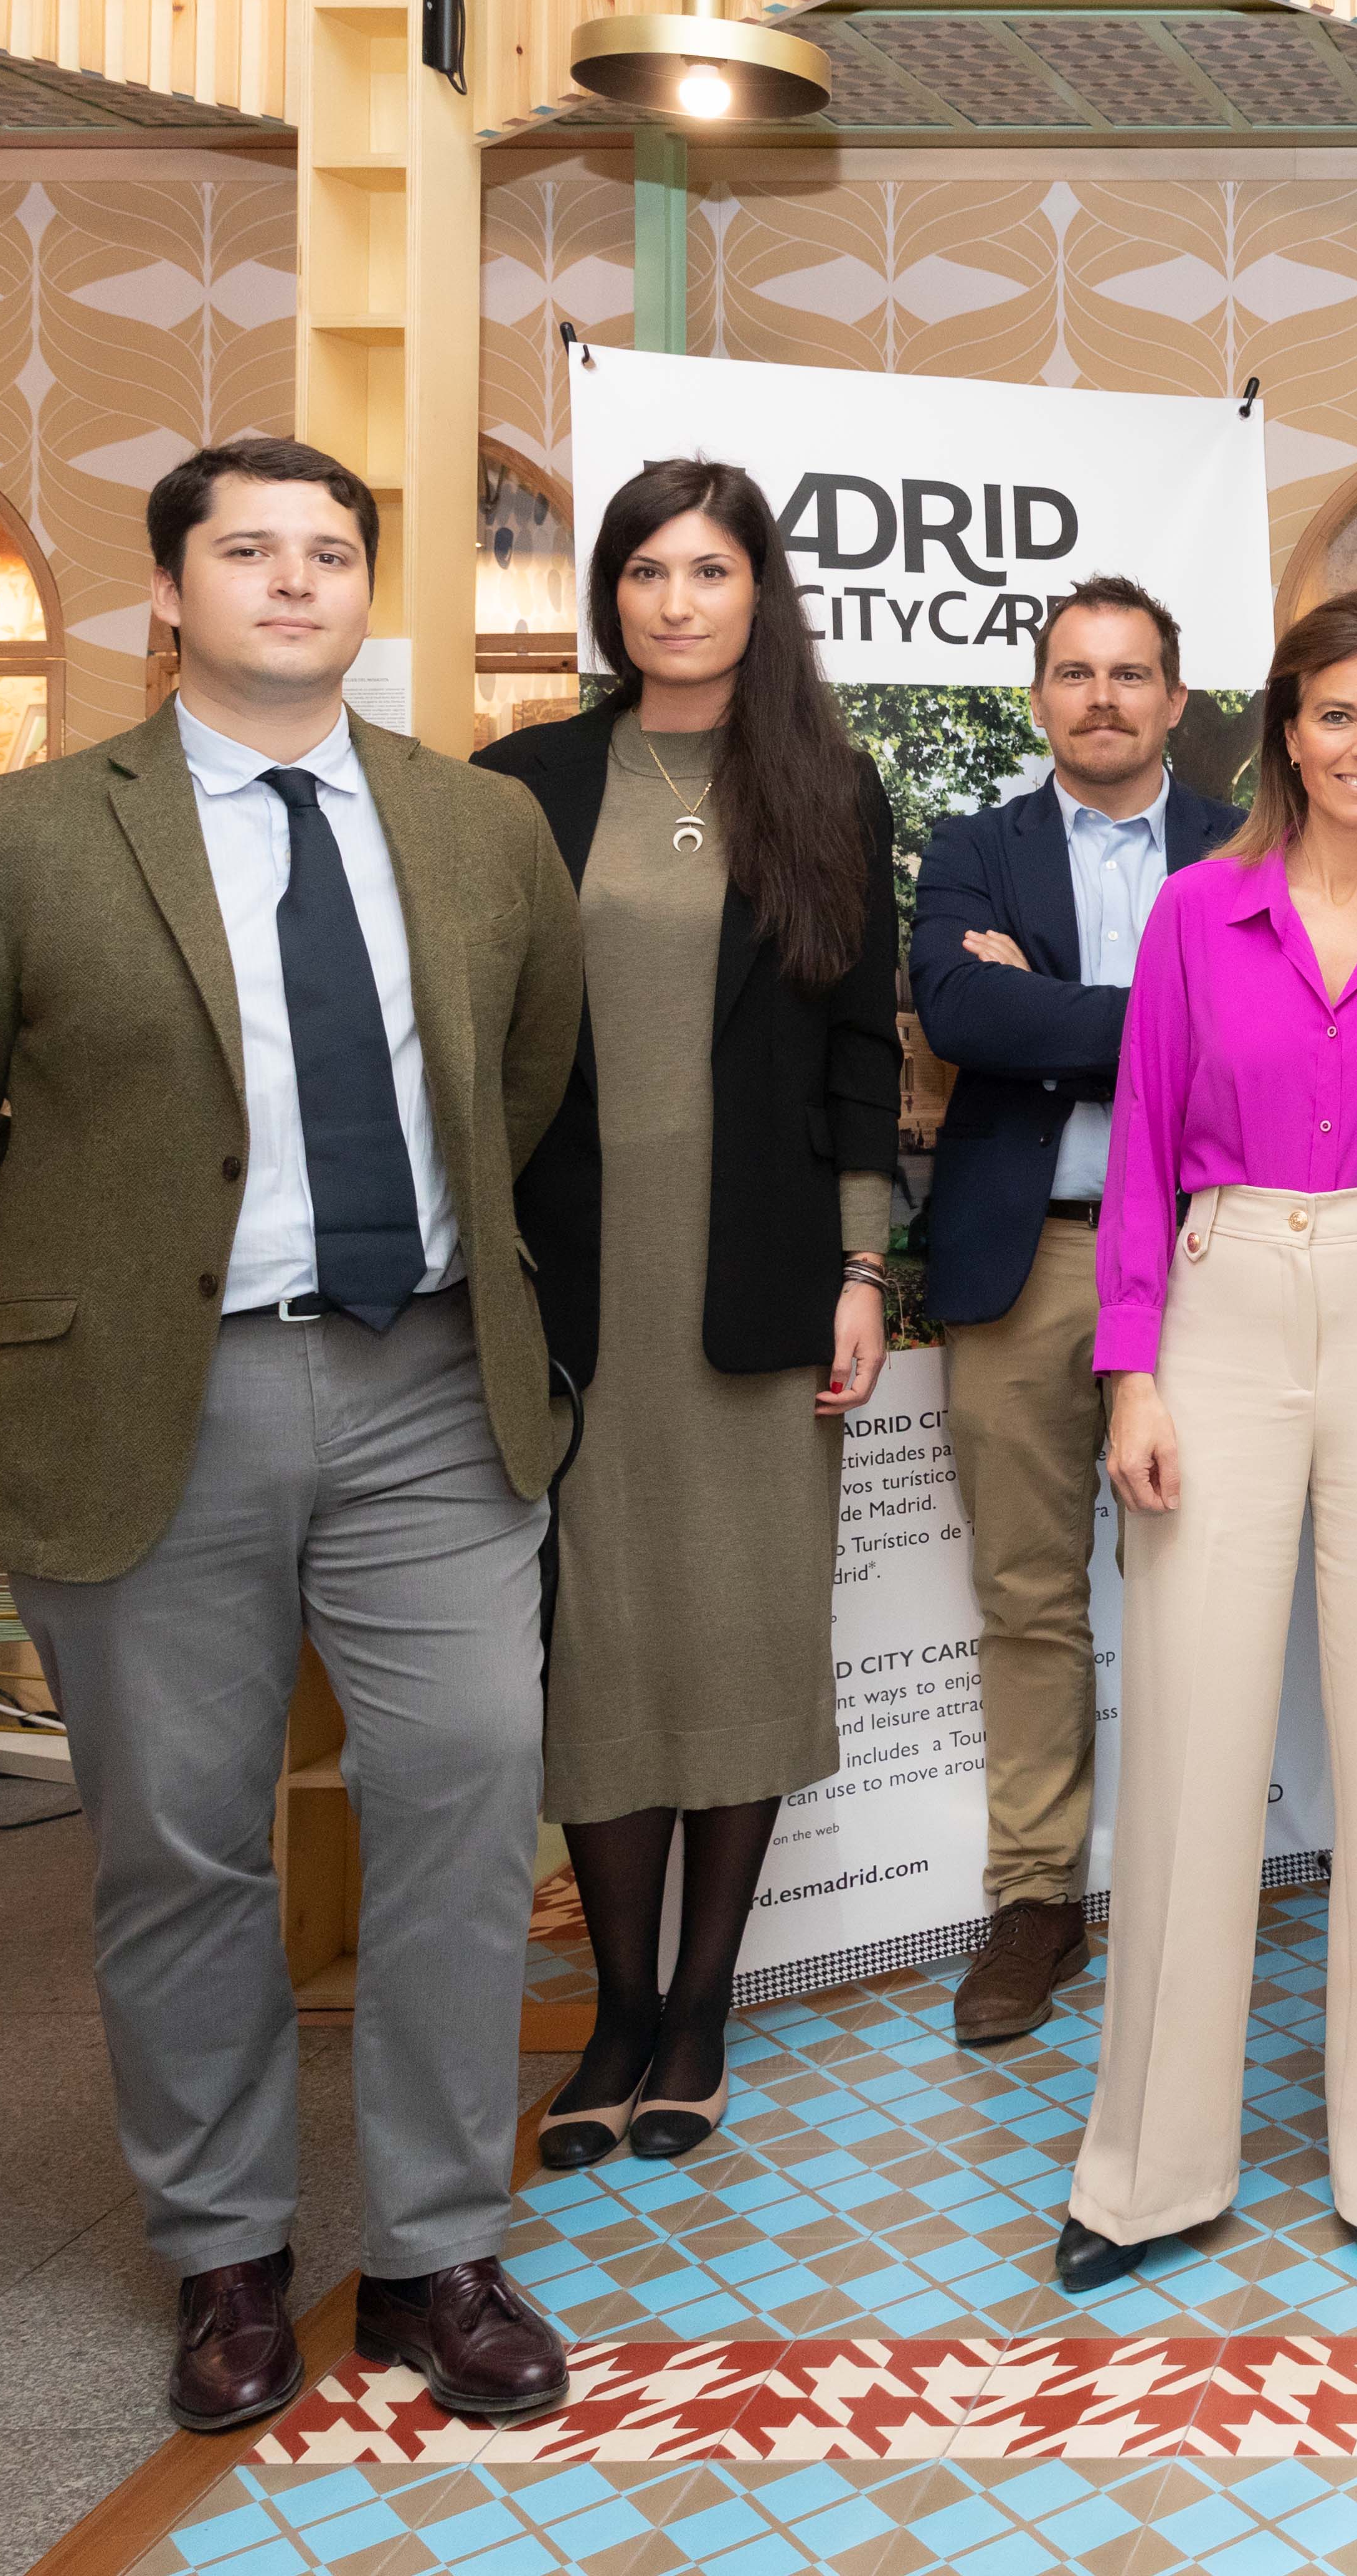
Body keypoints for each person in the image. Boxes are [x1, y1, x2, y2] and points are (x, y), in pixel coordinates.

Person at [0, 439, 585, 2428]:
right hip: (150, 1402)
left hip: (433, 1384)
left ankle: (435, 2254)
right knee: (179, 1841)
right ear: (170, 593)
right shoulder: (25, 836)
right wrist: (80, 1285)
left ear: (364, 591)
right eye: (249, 550)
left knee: (464, 1797)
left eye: (330, 550)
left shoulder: (479, 827)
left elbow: (521, 1081)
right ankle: (227, 2255)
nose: (294, 579)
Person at [1056, 588, 1357, 2293]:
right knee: (1192, 1734)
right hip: (1223, 1300)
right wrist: (1132, 1374)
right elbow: (1142, 1151)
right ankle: (1147, 2168)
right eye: (1341, 714)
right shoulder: (1199, 910)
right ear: (1286, 729)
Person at [473, 459, 902, 2174]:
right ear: (612, 595)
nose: (676, 600)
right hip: (573, 1286)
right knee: (600, 1647)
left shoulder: (827, 789)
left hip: (760, 1280)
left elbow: (863, 1051)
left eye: (710, 571)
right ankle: (617, 2012)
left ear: (757, 594)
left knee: (740, 1631)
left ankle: (702, 2008)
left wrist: (864, 1268)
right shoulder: (524, 783)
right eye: (647, 570)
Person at [910, 576, 1249, 2047]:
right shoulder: (972, 848)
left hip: (1213, 1255)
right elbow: (962, 1015)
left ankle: (1195, 1871)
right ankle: (1037, 1896)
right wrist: (1167, 1011)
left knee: (1202, 1582)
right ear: (1040, 695)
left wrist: (1058, 1006)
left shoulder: (1249, 843)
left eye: (1130, 672)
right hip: (1027, 1256)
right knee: (1030, 1593)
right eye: (1074, 671)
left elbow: (1270, 1031)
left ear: (1175, 698)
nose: (1102, 696)